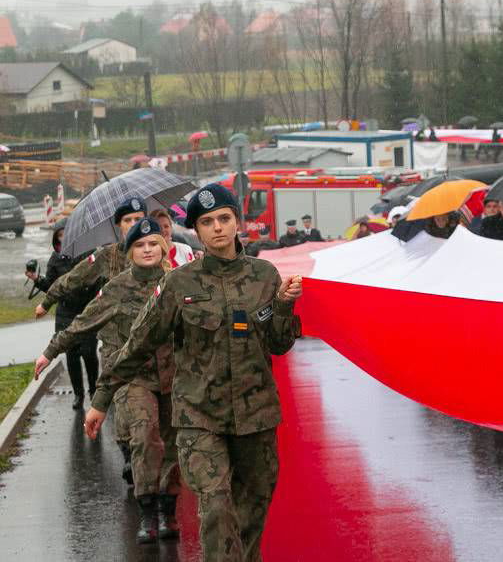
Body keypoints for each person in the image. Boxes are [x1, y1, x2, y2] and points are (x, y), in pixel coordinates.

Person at [83, 183, 302, 561]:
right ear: (196, 232)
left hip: (256, 417)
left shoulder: (265, 276)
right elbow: (138, 343)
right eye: (207, 222)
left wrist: (283, 306)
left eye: (224, 218)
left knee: (252, 514)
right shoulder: (179, 283)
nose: (217, 227)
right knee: (216, 509)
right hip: (200, 417)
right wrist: (102, 399)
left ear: (237, 222)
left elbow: (280, 344)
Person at [34, 218, 181, 543]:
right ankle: (147, 512)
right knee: (144, 437)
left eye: (152, 244)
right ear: (129, 252)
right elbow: (82, 323)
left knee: (173, 447)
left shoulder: (177, 282)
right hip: (133, 378)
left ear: (163, 248)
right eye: (139, 245)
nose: (146, 250)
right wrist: (50, 352)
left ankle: (168, 511)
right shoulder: (118, 287)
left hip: (174, 379)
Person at [26, 219, 99, 409]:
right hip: (65, 313)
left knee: (90, 354)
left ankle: (94, 391)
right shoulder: (56, 258)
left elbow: (99, 278)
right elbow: (51, 286)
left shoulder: (88, 253)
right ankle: (78, 394)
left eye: (66, 234)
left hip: (87, 311)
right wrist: (36, 279)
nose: (63, 239)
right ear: (55, 238)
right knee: (72, 355)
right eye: (59, 236)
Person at [36, 196, 147, 319]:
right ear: (119, 224)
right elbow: (75, 277)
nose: (133, 224)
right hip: (116, 333)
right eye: (127, 220)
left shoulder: (159, 252)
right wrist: (47, 302)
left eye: (138, 219)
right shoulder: (108, 255)